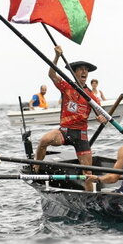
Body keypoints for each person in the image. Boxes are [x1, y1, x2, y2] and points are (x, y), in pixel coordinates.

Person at [35, 46, 104, 190]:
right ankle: (37, 168)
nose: (84, 71)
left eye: (86, 70)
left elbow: (100, 113)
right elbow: (52, 74)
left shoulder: (91, 96)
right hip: (64, 132)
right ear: (74, 72)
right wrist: (57, 56)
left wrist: (101, 118)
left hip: (81, 135)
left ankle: (90, 197)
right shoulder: (67, 87)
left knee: (88, 173)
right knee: (44, 141)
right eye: (81, 69)